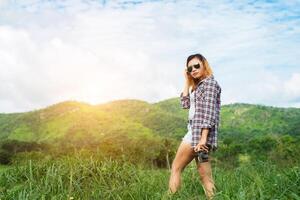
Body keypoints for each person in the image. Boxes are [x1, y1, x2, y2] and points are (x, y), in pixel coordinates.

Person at [168, 53, 221, 199]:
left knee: (176, 168)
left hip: (197, 134)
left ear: (204, 65)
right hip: (199, 133)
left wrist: (202, 139)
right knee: (205, 177)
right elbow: (184, 104)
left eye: (197, 65)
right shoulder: (197, 87)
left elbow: (209, 113)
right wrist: (187, 80)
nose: (193, 70)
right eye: (190, 68)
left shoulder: (210, 84)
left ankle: (170, 197)